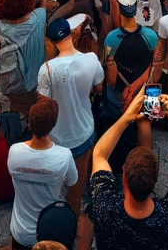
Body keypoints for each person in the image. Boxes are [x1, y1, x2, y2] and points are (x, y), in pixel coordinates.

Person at [88, 88, 168, 250]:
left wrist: (126, 118)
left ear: (124, 177)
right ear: (154, 180)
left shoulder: (106, 208)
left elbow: (99, 154)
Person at [37, 14, 104, 217]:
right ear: (70, 34)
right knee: (77, 188)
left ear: (50, 41)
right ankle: (72, 225)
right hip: (84, 133)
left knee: (55, 189)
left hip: (56, 140)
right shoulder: (91, 59)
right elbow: (99, 89)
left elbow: (43, 106)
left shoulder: (46, 69)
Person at [8, 98, 78, 250]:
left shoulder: (14, 151)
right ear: (53, 126)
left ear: (29, 124)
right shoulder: (64, 156)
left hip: (21, 231)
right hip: (50, 232)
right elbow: (72, 183)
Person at [103, 0, 158, 143]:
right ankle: (147, 156)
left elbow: (112, 80)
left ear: (120, 8)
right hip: (148, 94)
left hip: (119, 98)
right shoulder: (151, 36)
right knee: (145, 122)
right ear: (136, 7)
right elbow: (155, 67)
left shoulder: (111, 39)